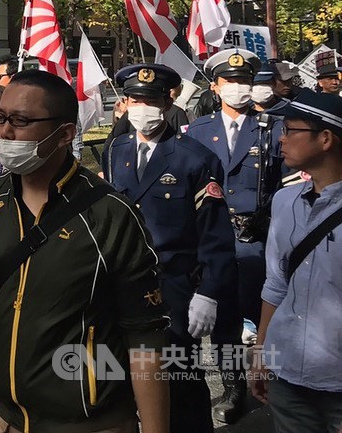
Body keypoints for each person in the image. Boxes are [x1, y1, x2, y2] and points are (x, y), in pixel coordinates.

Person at [0, 70, 171, 433]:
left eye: (21, 121)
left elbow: (145, 338)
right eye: (0, 118)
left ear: (64, 134)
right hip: (7, 421)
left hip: (92, 424)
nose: (3, 133)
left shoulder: (110, 215)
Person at [103, 64, 237, 433]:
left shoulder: (194, 157)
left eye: (150, 101)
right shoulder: (116, 150)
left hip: (174, 285)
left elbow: (215, 235)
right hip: (123, 281)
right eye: (135, 100)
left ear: (167, 102)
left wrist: (208, 292)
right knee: (123, 372)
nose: (141, 108)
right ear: (125, 102)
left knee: (180, 376)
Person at [186, 48, 276, 424]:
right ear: (216, 86)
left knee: (265, 315)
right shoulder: (198, 130)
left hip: (261, 237)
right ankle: (233, 386)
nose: (238, 88)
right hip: (216, 239)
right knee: (223, 318)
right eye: (230, 82)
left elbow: (286, 184)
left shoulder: (273, 126)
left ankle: (270, 379)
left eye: (244, 81)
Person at [249, 89, 342, 432]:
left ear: (326, 138)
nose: (281, 140)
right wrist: (261, 356)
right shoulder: (285, 201)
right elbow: (275, 284)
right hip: (288, 375)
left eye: (290, 130)